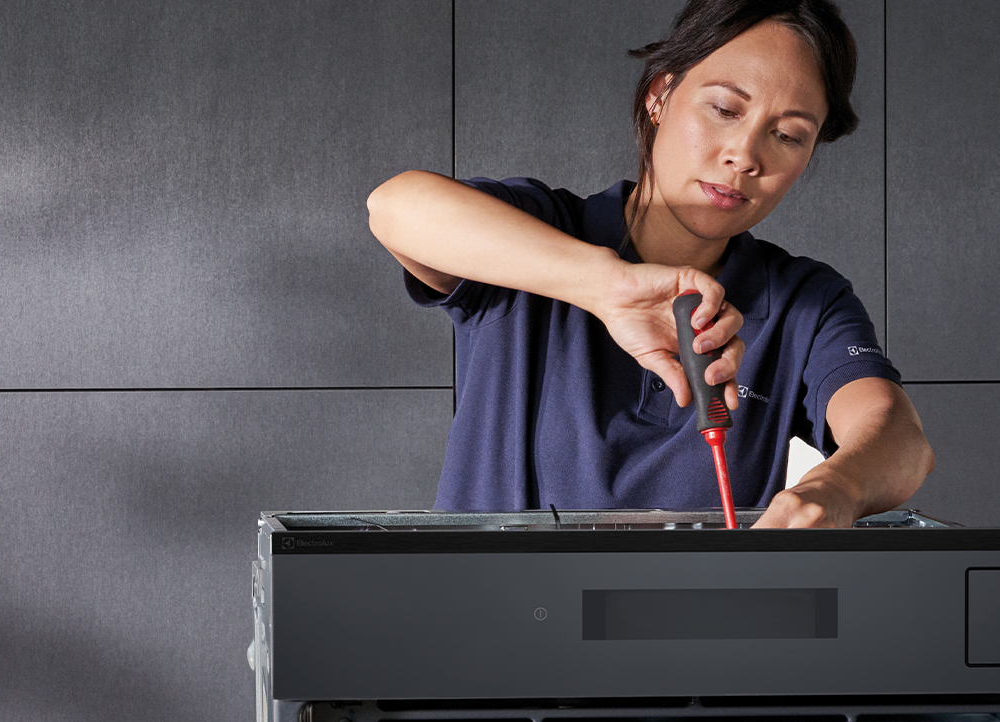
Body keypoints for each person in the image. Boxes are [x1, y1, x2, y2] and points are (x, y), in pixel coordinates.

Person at [367, 0, 933, 528]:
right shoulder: (540, 229)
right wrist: (606, 286)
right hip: (489, 621)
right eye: (724, 109)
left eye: (787, 135)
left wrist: (834, 488)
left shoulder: (805, 302)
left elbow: (900, 440)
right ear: (660, 96)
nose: (745, 156)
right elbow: (395, 207)